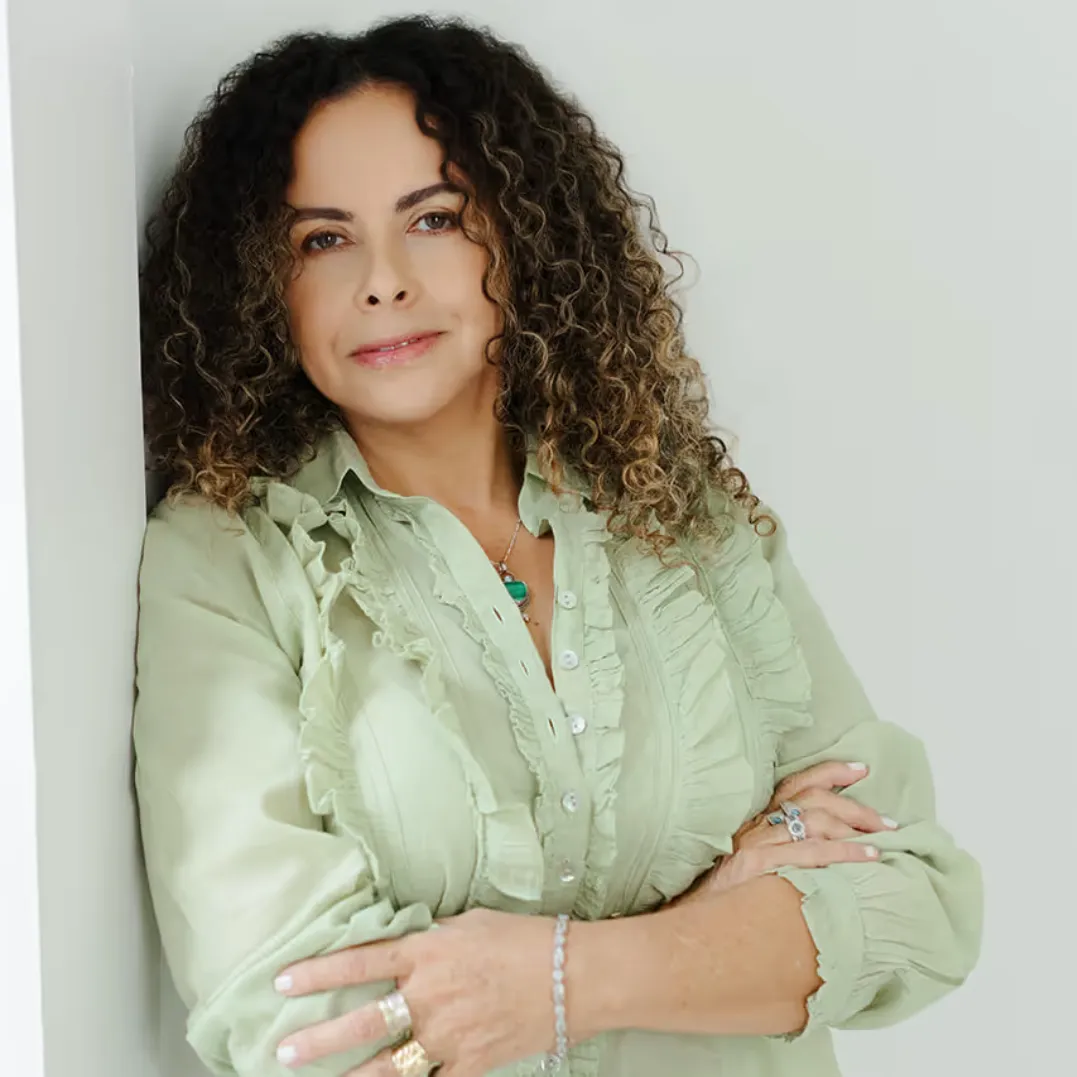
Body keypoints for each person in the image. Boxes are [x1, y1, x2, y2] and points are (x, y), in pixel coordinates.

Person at [133, 15, 982, 1077]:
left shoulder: (678, 513)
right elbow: (301, 1022)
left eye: (434, 218)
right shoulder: (224, 562)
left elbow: (915, 903)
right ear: (264, 285)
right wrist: (714, 934)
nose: (384, 281)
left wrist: (561, 982)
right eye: (323, 239)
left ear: (522, 235)